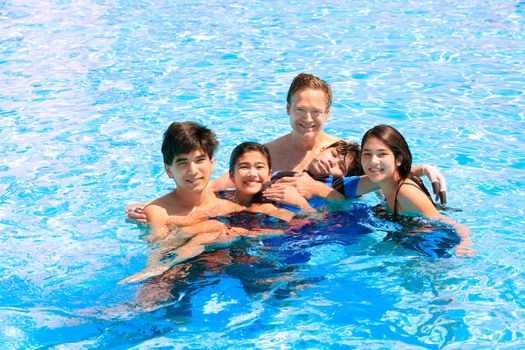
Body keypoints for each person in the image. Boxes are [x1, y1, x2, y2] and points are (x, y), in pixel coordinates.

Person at [211, 73, 448, 204]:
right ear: (288, 109)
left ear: (327, 113)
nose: (308, 119)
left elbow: (377, 179)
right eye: (300, 110)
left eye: (316, 112)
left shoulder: (341, 151)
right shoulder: (266, 155)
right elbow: (218, 187)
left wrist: (419, 170)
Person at [121, 142, 314, 283]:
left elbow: (308, 226)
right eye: (244, 167)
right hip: (201, 259)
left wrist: (303, 205)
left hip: (243, 262)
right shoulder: (219, 198)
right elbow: (180, 203)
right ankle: (156, 268)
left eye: (259, 167)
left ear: (270, 173)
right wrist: (146, 211)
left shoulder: (276, 207)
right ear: (231, 175)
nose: (252, 173)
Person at [301, 125, 473, 257]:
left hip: (431, 242)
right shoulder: (382, 185)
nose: (373, 161)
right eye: (367, 154)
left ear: (398, 159)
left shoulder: (405, 191)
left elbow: (448, 223)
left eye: (382, 154)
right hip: (406, 236)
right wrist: (421, 169)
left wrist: (464, 244)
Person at [137, 121, 243, 242]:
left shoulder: (228, 207)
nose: (193, 171)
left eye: (200, 160)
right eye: (183, 163)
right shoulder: (159, 214)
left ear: (211, 163)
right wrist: (192, 231)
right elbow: (159, 257)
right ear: (169, 170)